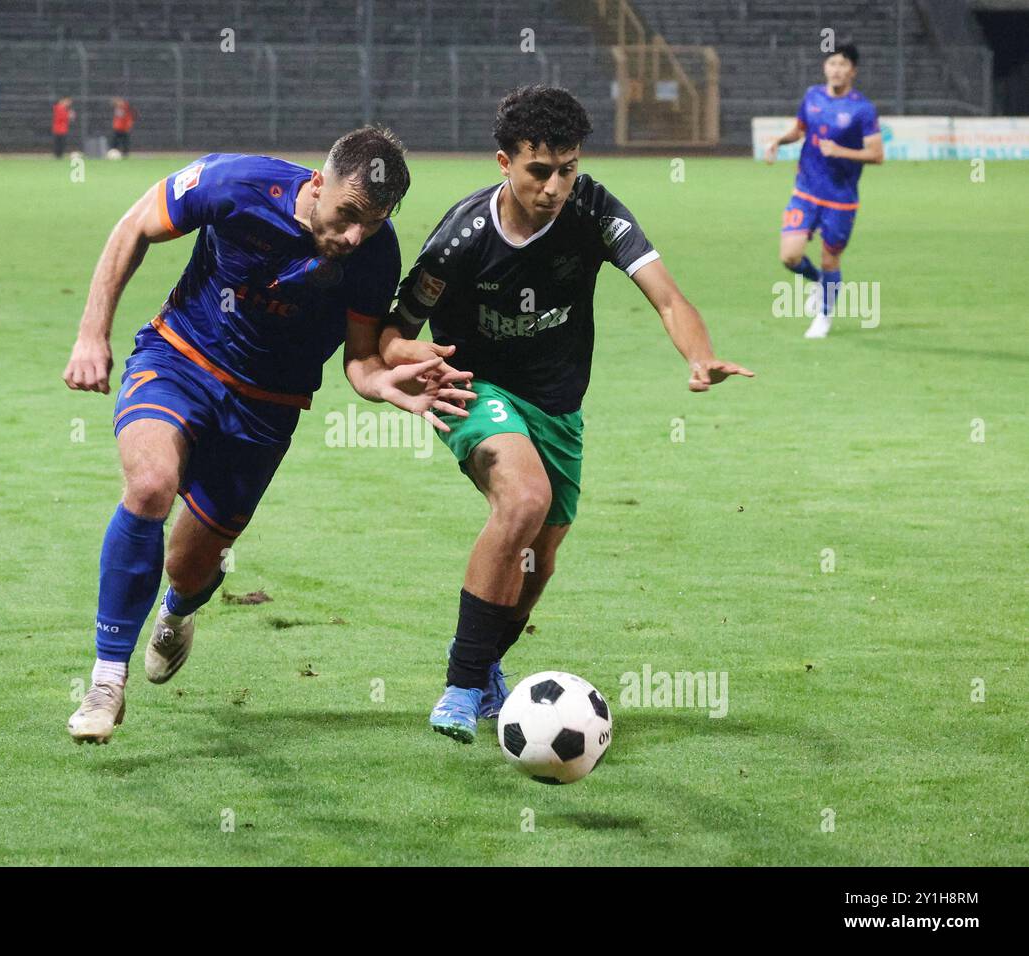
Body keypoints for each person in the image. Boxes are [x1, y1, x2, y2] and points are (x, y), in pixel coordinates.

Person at [62, 127, 475, 744]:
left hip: (267, 408)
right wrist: (93, 334)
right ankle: (105, 682)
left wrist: (384, 385)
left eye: (376, 220)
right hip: (179, 360)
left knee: (187, 567)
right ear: (317, 184)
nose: (357, 234)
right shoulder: (236, 183)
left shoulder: (374, 254)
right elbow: (134, 227)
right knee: (150, 487)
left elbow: (360, 359)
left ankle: (178, 610)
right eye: (349, 214)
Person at [380, 86, 753, 743]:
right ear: (504, 162)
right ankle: (461, 687)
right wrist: (419, 357)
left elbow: (668, 298)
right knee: (523, 501)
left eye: (567, 168)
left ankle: (487, 667)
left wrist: (701, 355)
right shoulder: (462, 236)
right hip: (475, 386)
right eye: (539, 171)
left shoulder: (595, 210)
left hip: (556, 406)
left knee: (538, 561)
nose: (555, 186)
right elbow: (392, 335)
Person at [765, 44, 883, 338]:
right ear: (825, 68)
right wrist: (778, 141)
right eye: (832, 63)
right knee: (789, 256)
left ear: (853, 71)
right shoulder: (812, 96)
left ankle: (824, 317)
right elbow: (799, 130)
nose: (837, 69)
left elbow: (877, 154)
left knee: (830, 258)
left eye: (843, 64)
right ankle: (818, 281)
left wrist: (840, 151)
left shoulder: (862, 109)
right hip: (805, 190)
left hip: (840, 199)